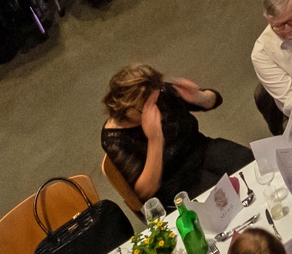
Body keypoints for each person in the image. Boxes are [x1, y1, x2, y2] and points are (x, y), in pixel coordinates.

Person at [100, 62, 255, 202]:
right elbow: (145, 191)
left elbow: (215, 100)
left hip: (204, 149)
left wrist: (199, 97)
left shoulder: (158, 92)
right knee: (226, 203)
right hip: (176, 184)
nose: (156, 106)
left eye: (156, 99)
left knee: (254, 169)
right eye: (148, 106)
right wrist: (155, 140)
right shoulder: (115, 138)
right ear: (126, 107)